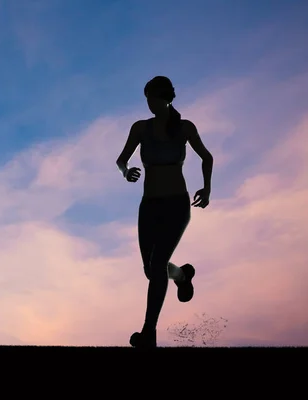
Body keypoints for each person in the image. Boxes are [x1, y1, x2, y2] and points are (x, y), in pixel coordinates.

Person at [115, 76, 213, 348]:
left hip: (176, 205)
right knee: (151, 270)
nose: (150, 103)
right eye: (147, 98)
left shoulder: (184, 128)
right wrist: (126, 172)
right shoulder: (140, 129)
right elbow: (121, 160)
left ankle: (149, 333)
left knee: (157, 266)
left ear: (167, 98)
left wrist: (206, 189)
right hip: (149, 206)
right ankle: (182, 275)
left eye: (154, 98)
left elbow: (207, 157)